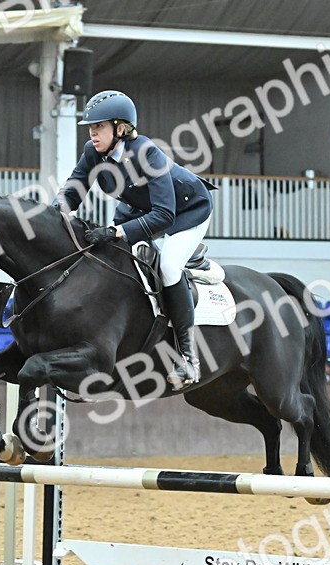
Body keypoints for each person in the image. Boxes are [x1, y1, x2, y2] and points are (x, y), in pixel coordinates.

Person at [54, 90, 217, 391]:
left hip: (187, 210)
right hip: (140, 208)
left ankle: (187, 357)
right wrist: (51, 215)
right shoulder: (93, 152)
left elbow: (164, 215)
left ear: (121, 128)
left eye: (99, 126)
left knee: (169, 267)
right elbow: (73, 191)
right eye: (91, 127)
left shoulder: (147, 153)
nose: (92, 133)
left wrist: (117, 232)